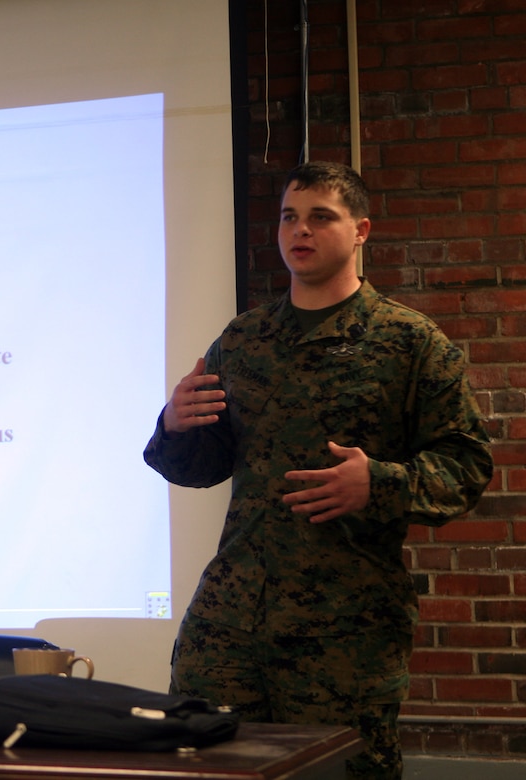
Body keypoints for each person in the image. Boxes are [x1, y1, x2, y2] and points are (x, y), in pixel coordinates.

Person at [143, 161, 492, 779]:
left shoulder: (411, 342)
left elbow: (466, 464)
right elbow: (202, 468)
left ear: (361, 230)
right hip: (230, 625)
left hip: (345, 631)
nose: (299, 231)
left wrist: (379, 483)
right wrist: (173, 425)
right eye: (289, 217)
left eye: (320, 217)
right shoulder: (245, 340)